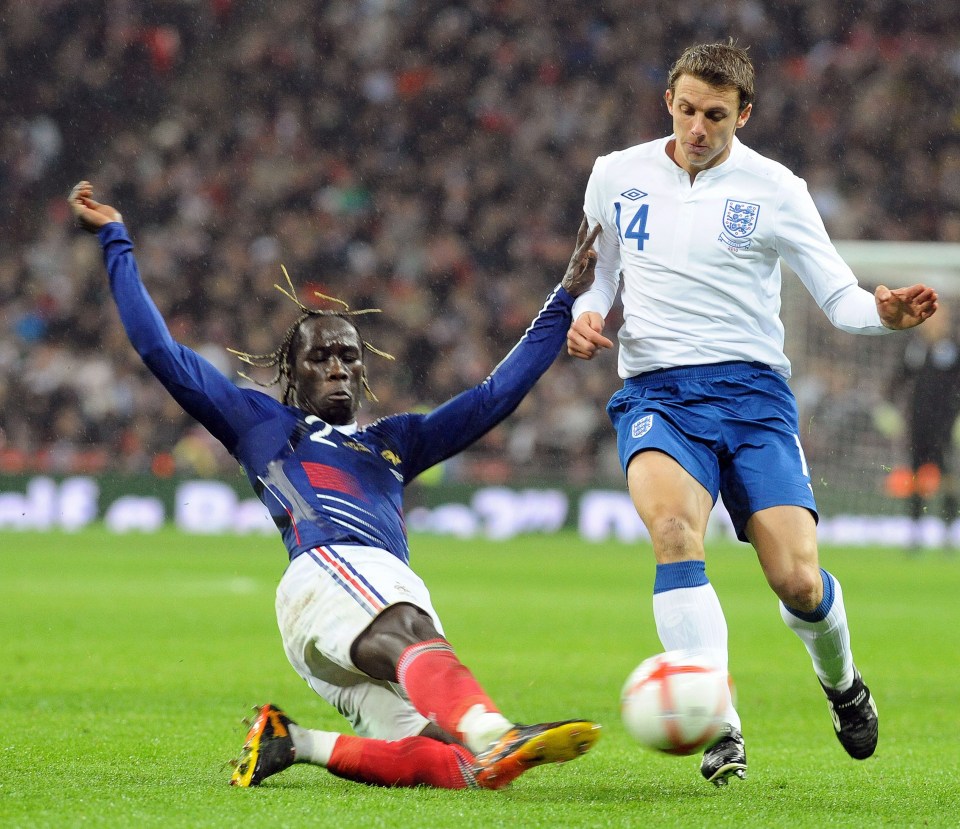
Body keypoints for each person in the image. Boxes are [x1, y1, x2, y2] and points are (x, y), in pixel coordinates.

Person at [69, 181, 602, 791]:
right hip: (330, 572)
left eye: (349, 356)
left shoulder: (392, 443)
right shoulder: (262, 423)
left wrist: (563, 300)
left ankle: (292, 741)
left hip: (343, 615)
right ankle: (494, 728)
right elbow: (159, 350)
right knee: (425, 649)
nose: (338, 366)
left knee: (463, 769)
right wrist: (115, 238)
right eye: (321, 356)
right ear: (291, 373)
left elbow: (492, 398)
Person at [565, 41, 939, 786]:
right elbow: (598, 269)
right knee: (675, 534)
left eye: (715, 115)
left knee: (797, 580)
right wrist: (587, 313)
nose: (697, 127)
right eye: (686, 110)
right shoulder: (616, 175)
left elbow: (837, 296)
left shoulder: (776, 188)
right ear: (668, 100)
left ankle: (843, 683)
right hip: (657, 392)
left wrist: (884, 314)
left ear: (745, 114)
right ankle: (718, 722)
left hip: (753, 397)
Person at [887, 302, 960, 548]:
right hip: (918, 423)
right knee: (916, 475)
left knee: (948, 475)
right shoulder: (915, 347)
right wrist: (887, 407)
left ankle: (949, 531)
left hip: (946, 423)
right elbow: (898, 378)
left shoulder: (952, 347)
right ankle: (915, 531)